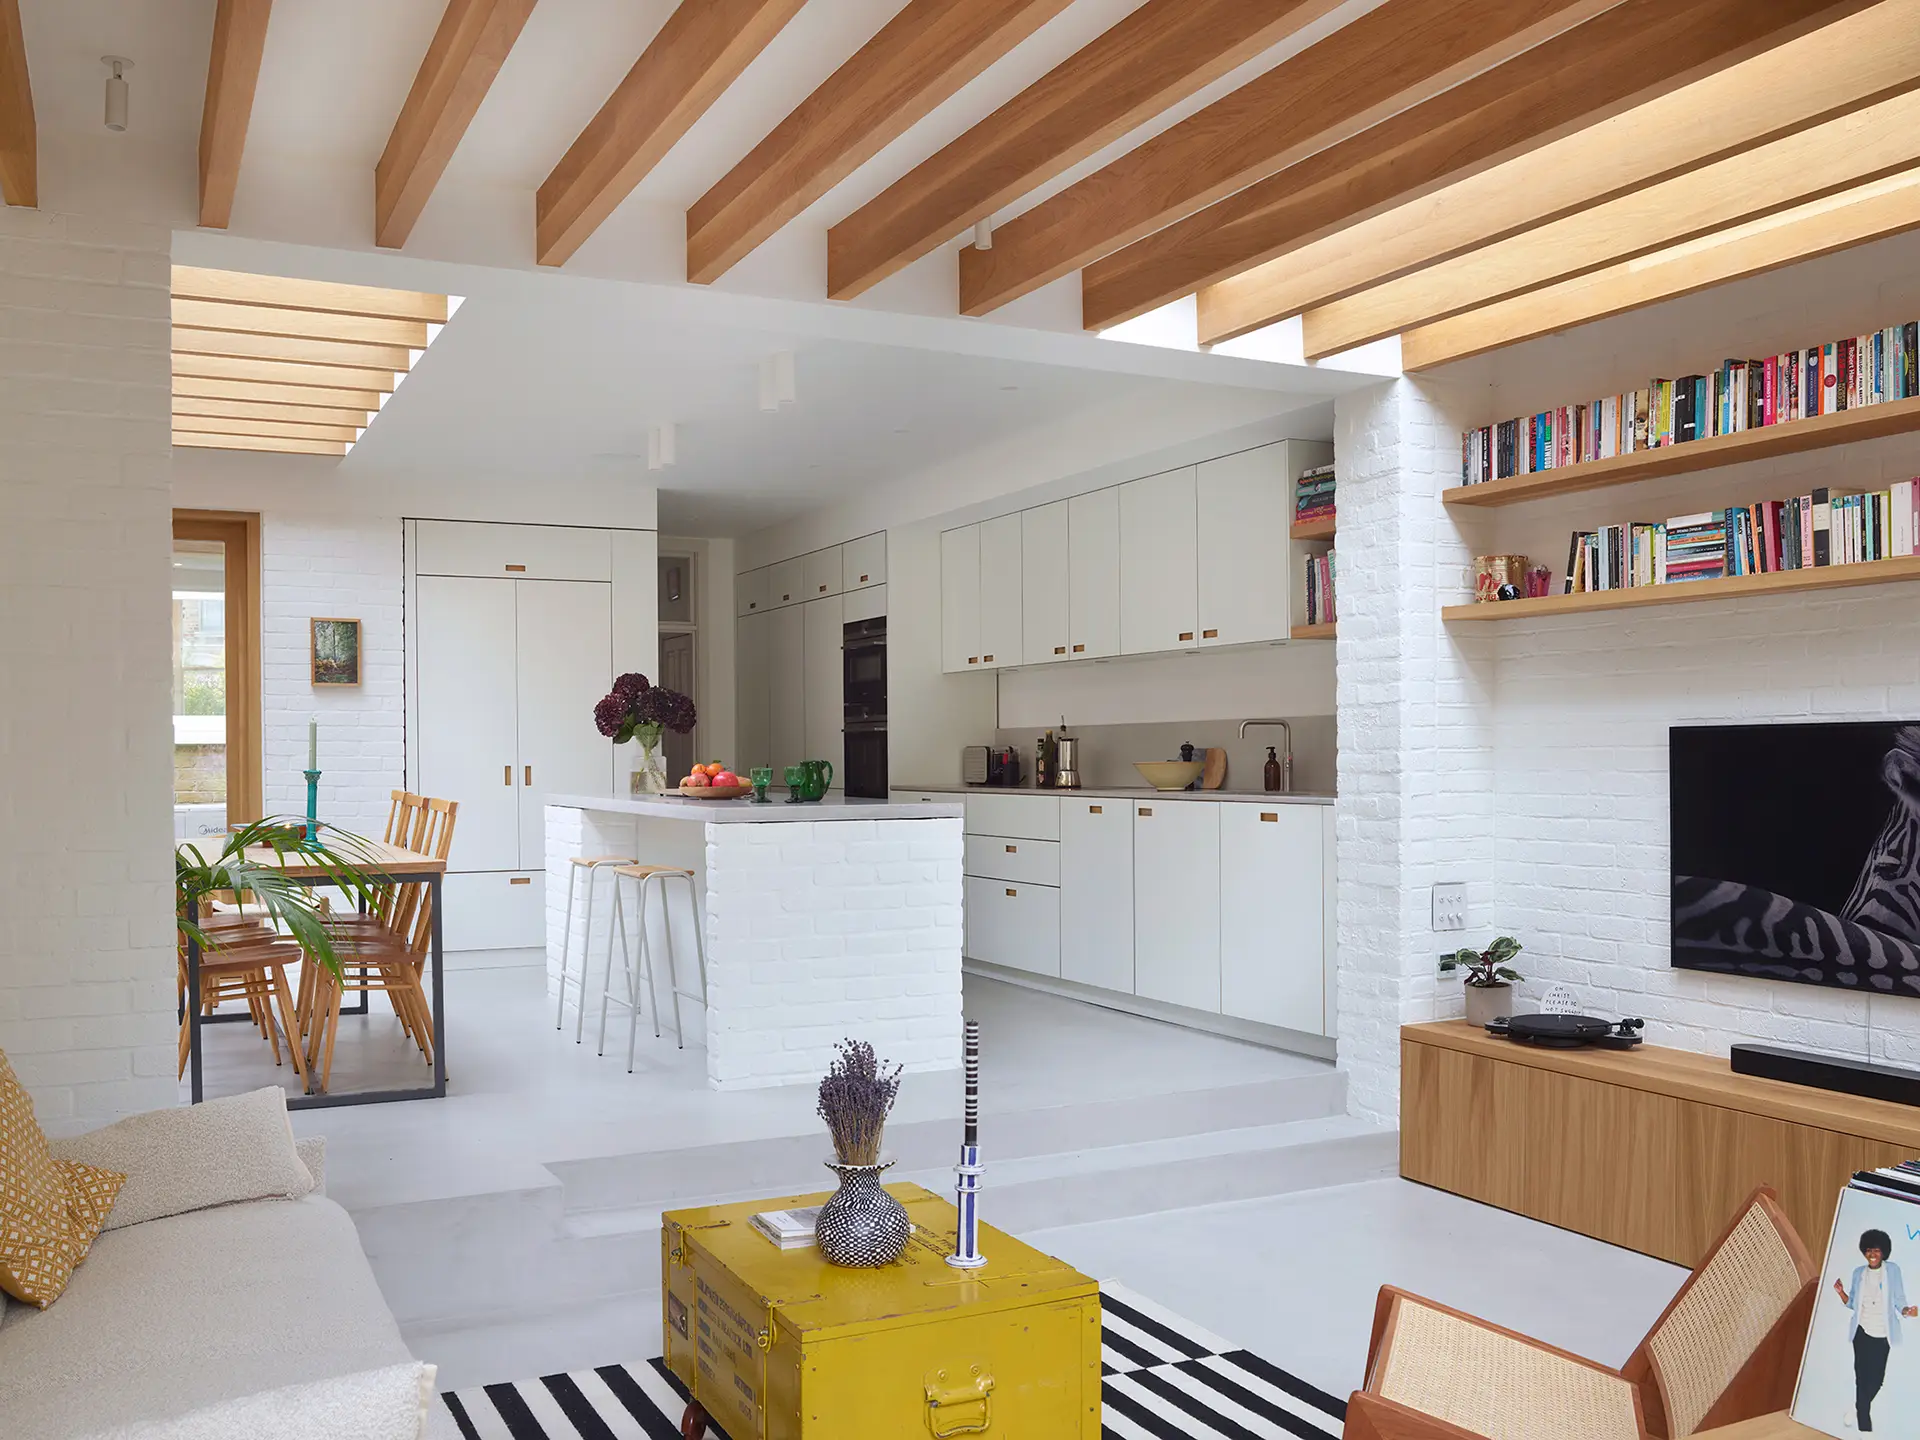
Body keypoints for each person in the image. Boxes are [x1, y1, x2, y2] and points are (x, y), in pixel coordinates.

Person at [1834, 1228, 1918, 1431]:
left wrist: (1908, 1311)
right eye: (1869, 1250)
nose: (1872, 1254)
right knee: (1861, 1379)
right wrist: (1841, 1293)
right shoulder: (1858, 1273)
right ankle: (1866, 1430)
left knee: (1877, 1381)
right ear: (1864, 1251)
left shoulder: (1893, 1270)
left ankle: (1858, 1407)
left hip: (1882, 1334)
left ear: (1884, 1252)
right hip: (1861, 1333)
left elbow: (1899, 1301)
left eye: (1877, 1250)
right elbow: (1853, 1303)